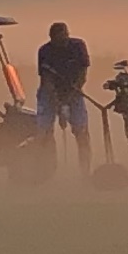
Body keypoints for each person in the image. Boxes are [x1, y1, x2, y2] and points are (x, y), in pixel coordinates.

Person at [33, 21, 95, 170]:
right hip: (49, 94)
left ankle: (85, 169)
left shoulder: (78, 46)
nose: (63, 42)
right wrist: (59, 104)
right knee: (44, 130)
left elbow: (82, 75)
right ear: (51, 38)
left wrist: (68, 100)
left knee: (82, 131)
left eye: (65, 37)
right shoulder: (45, 51)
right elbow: (47, 80)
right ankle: (41, 168)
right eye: (58, 39)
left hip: (74, 91)